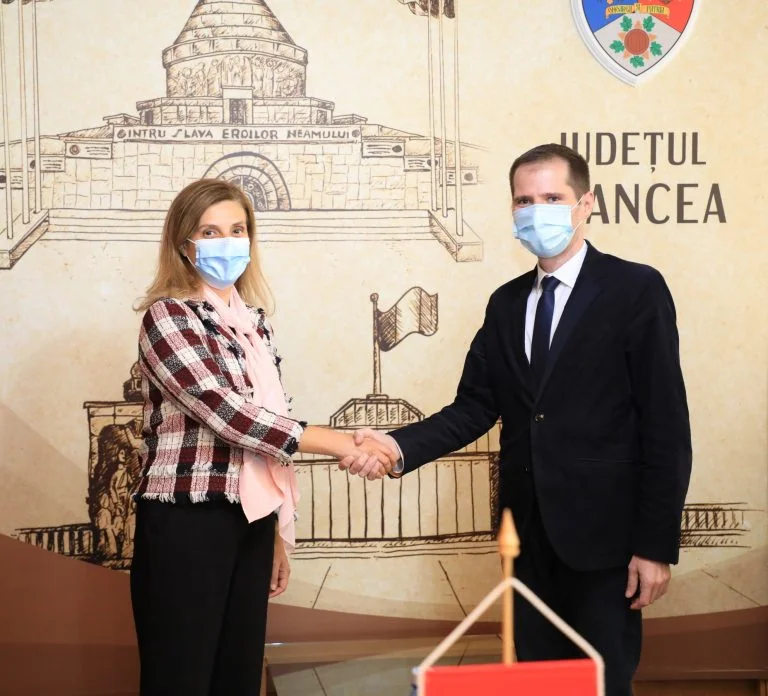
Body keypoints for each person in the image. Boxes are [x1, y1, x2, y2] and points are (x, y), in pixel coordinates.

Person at [346, 143, 692, 696]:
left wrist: (654, 545)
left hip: (604, 541)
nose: (536, 212)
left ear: (586, 204)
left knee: (601, 683)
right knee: (537, 683)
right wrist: (395, 445)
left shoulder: (635, 289)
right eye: (524, 201)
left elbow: (666, 424)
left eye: (552, 198)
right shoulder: (505, 304)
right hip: (526, 536)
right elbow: (474, 407)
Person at [130, 178, 396, 696]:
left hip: (250, 521)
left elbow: (268, 429)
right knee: (181, 678)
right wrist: (340, 442)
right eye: (210, 232)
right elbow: (228, 415)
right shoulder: (168, 315)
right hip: (189, 518)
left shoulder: (254, 324)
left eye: (237, 230)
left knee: (238, 676)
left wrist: (274, 529)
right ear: (184, 244)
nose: (227, 242)